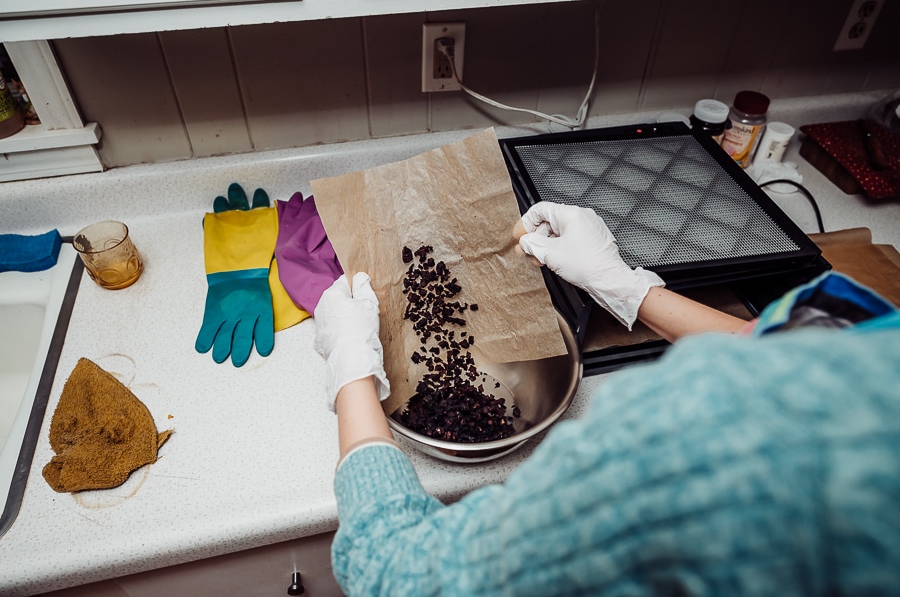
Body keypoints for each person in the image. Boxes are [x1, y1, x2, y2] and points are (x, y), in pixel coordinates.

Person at [313, 201, 900, 596]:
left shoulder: (715, 441)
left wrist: (351, 372)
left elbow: (395, 570)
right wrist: (626, 285)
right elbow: (787, 355)